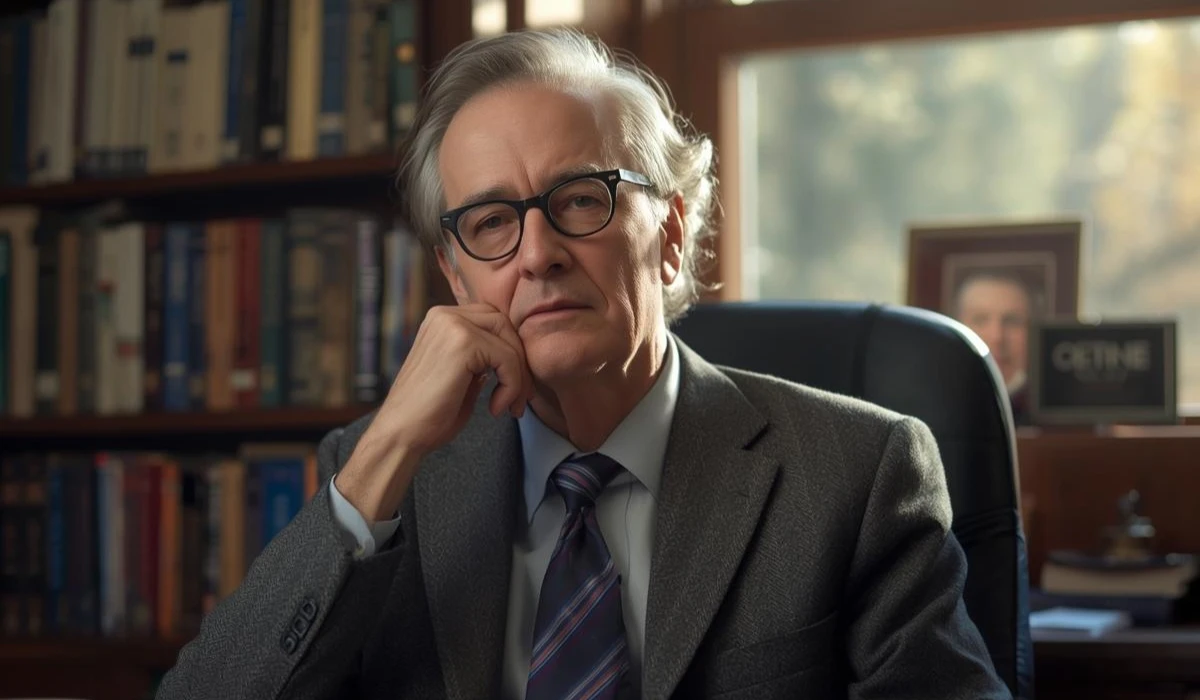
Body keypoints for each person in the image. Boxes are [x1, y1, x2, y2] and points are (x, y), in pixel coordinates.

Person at [157, 28, 1012, 700]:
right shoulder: (383, 478)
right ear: (456, 279)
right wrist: (382, 457)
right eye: (491, 222)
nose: (537, 254)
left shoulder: (854, 474)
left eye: (578, 199)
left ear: (671, 237)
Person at [952, 269, 1043, 423]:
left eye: (1013, 321)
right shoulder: (934, 403)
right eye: (980, 319)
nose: (997, 337)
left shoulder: (1053, 415)